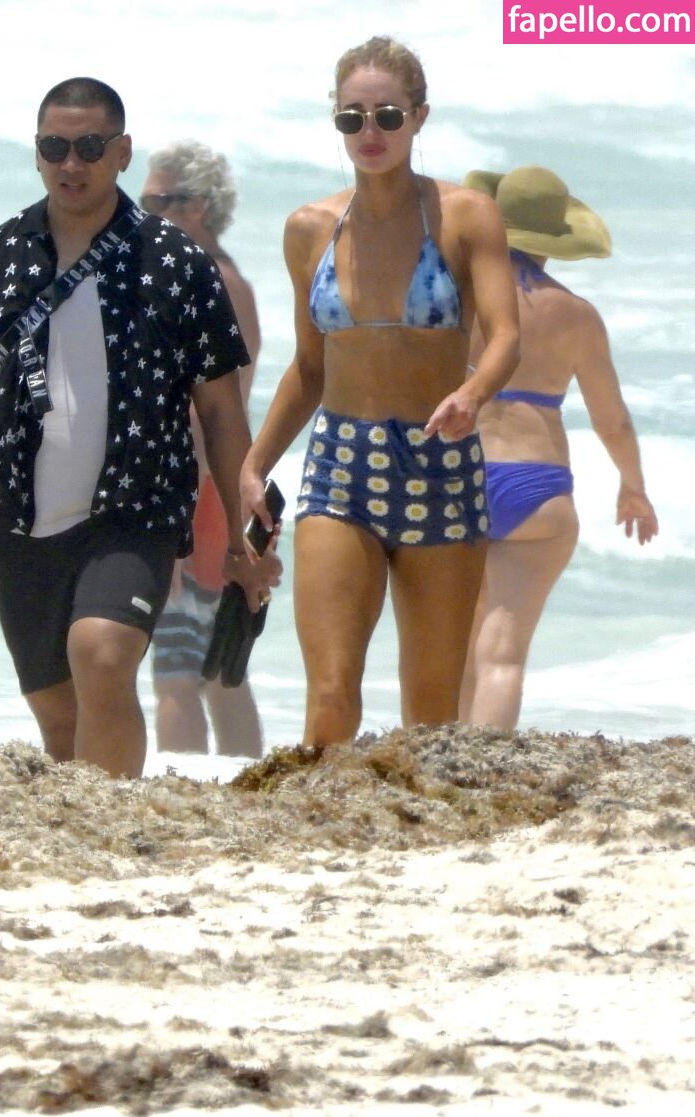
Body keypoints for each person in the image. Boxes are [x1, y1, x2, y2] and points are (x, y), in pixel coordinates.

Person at [0, 77, 281, 778]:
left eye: (90, 147)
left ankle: (115, 821)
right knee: (59, 717)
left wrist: (246, 531)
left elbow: (220, 410)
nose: (71, 163)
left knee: (103, 656)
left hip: (137, 513)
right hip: (21, 525)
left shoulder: (177, 264)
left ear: (122, 152)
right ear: (36, 154)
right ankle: (83, 826)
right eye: (54, 147)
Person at [240, 37, 520, 748]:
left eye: (388, 116)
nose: (370, 132)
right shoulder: (309, 229)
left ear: (419, 117)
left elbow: (505, 336)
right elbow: (310, 367)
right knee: (331, 696)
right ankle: (315, 816)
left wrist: (473, 394)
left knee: (430, 712)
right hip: (341, 463)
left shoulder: (466, 216)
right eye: (352, 118)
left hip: (440, 461)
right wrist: (255, 463)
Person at [458, 166, 659, 729]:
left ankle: (443, 762)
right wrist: (633, 488)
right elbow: (612, 420)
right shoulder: (576, 316)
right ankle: (485, 766)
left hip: (458, 476)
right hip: (536, 485)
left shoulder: (459, 299)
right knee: (503, 653)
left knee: (459, 642)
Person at [140, 140, 265, 759]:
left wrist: (168, 504)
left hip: (199, 490)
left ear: (198, 206)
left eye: (156, 203)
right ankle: (244, 791)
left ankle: (180, 790)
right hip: (215, 486)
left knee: (178, 668)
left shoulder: (213, 281)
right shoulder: (216, 278)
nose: (144, 215)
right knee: (218, 667)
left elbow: (208, 413)